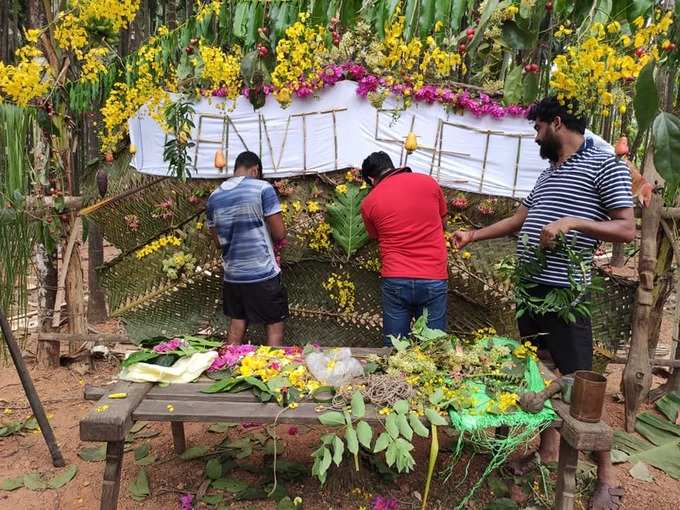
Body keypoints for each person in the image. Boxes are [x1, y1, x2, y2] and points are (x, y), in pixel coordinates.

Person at [453, 96, 634, 510]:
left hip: (567, 297)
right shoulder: (549, 172)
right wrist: (474, 235)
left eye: (537, 128)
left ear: (556, 123)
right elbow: (522, 219)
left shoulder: (605, 164)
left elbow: (626, 228)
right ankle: (548, 451)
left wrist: (573, 222)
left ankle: (606, 477)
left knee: (580, 383)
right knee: (542, 373)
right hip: (533, 293)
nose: (535, 135)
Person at [360, 151, 449, 345]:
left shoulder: (369, 202)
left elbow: (376, 235)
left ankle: (394, 375)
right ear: (391, 165)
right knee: (432, 348)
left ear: (370, 178)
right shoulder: (429, 182)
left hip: (396, 278)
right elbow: (443, 221)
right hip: (433, 275)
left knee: (396, 347)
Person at [207, 151, 288, 346]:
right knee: (274, 323)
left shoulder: (214, 197)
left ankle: (229, 367)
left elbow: (218, 242)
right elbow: (279, 234)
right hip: (262, 272)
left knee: (237, 322)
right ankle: (272, 369)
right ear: (255, 170)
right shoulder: (262, 188)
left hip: (233, 275)